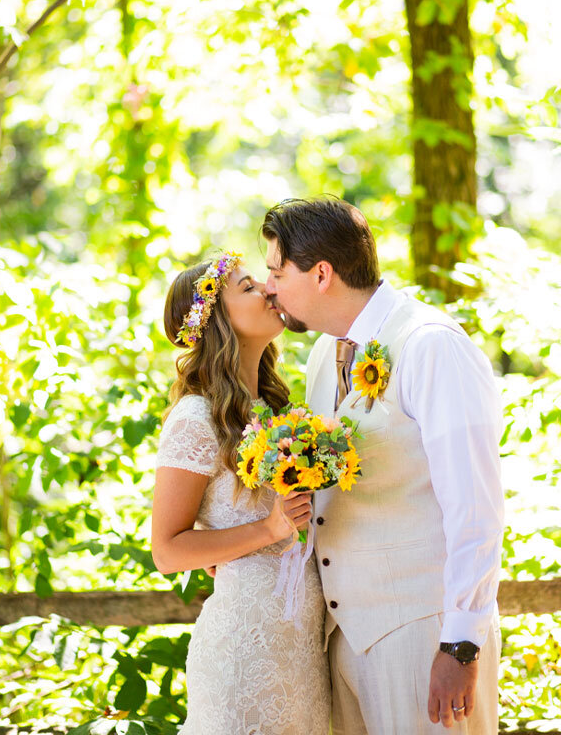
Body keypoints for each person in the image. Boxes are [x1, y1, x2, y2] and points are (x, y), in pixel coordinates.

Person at [261, 197, 503, 733]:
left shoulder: (431, 346)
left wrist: (460, 644)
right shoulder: (326, 354)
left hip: (424, 633)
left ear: (321, 273)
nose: (269, 287)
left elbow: (476, 509)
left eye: (277, 271)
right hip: (343, 637)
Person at [150, 251, 329, 735]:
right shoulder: (195, 417)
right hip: (241, 654)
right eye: (249, 287)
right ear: (217, 322)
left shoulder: (276, 407)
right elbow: (166, 551)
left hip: (300, 650)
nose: (269, 290)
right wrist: (266, 529)